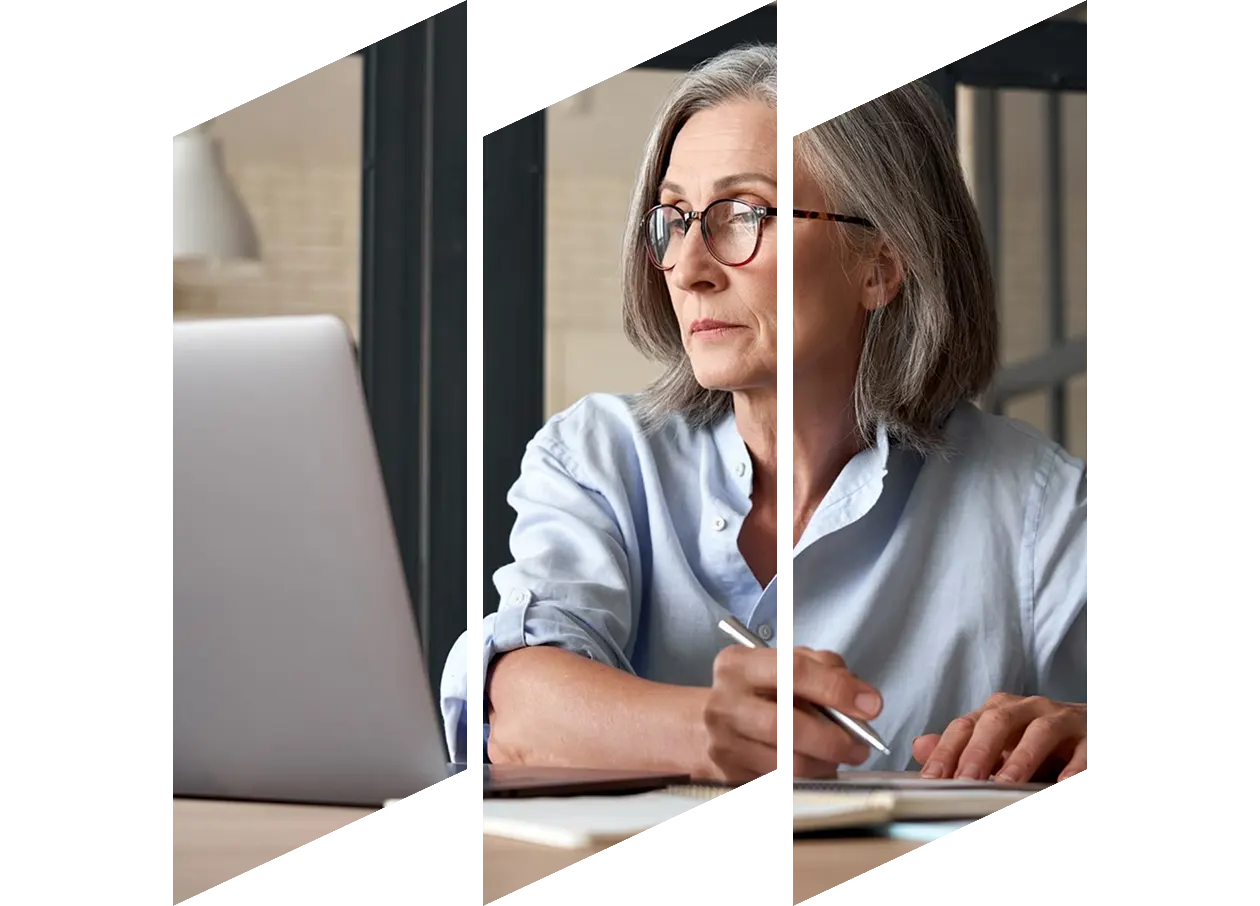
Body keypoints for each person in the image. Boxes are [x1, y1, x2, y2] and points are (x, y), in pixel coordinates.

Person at [439, 43, 1088, 784]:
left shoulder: (1036, 505)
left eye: (741, 214)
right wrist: (698, 732)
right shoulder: (601, 456)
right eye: (674, 218)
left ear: (880, 261)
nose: (688, 267)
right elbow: (507, 713)